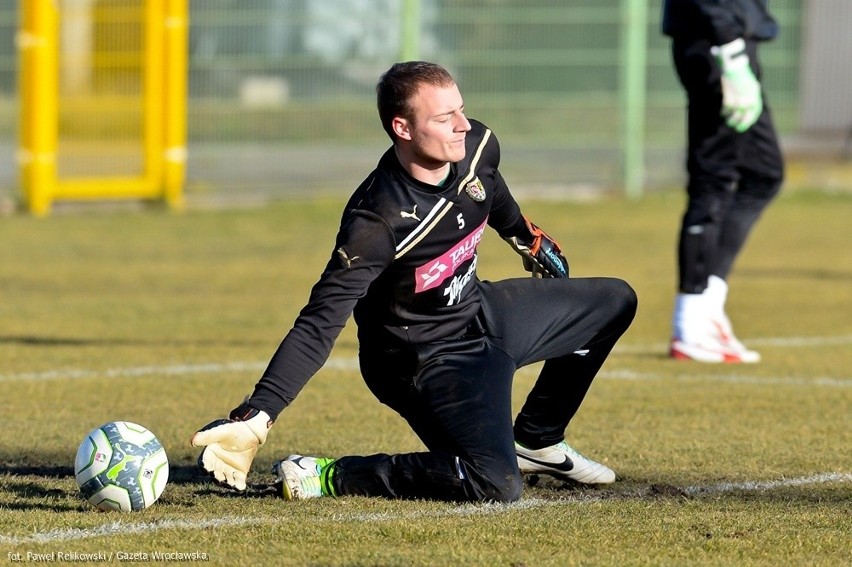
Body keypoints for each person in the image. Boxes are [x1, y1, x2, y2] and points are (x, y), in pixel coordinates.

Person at [190, 61, 637, 503]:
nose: (463, 125)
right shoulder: (377, 221)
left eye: (461, 109)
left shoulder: (476, 145)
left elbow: (487, 188)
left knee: (615, 301)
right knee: (495, 483)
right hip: (423, 360)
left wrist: (523, 234)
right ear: (403, 128)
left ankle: (537, 439)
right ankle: (333, 474)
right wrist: (257, 416)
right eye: (445, 118)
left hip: (481, 313)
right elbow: (319, 322)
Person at [662, 0, 784, 363]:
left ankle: (707, 304)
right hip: (717, 43)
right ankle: (690, 321)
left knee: (764, 173)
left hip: (732, 39)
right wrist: (730, 52)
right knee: (712, 180)